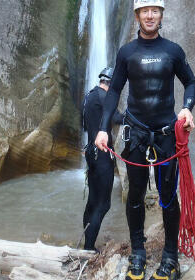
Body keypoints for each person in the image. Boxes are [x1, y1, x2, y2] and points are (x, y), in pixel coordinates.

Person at [95, 0, 195, 280]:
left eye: (155, 10)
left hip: (167, 134)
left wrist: (187, 109)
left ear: (161, 15)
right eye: (145, 11)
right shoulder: (127, 52)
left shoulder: (173, 51)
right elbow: (114, 90)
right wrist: (103, 129)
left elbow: (191, 84)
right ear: (138, 16)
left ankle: (170, 258)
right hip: (137, 133)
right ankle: (137, 253)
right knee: (136, 195)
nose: (150, 15)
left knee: (167, 197)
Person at [81, 67, 123, 251]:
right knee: (103, 204)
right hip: (102, 154)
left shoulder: (89, 96)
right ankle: (89, 248)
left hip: (90, 152)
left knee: (92, 201)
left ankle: (86, 243)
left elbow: (85, 125)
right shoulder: (105, 97)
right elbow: (117, 118)